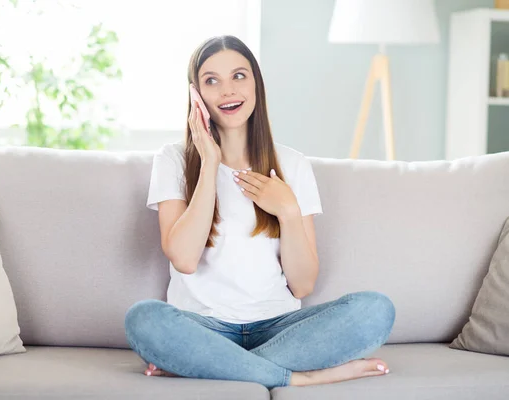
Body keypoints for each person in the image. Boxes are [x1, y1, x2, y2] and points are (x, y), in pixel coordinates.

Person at [124, 35, 395, 389]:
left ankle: (212, 367)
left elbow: (302, 284)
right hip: (201, 327)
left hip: (278, 327)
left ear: (256, 84)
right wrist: (209, 163)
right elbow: (185, 259)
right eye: (211, 81)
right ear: (196, 96)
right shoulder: (173, 160)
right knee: (143, 319)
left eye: (239, 76)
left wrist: (288, 211)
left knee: (375, 309)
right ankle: (303, 379)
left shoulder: (293, 164)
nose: (227, 90)